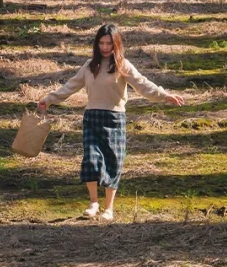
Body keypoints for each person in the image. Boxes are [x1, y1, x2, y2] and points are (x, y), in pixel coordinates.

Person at [37, 22, 185, 221]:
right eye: (101, 43)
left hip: (115, 119)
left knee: (112, 162)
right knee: (90, 159)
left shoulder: (123, 65)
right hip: (92, 117)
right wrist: (49, 99)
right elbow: (70, 86)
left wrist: (164, 95)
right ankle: (93, 203)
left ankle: (109, 208)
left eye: (109, 43)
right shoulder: (89, 67)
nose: (105, 47)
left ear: (116, 44)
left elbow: (143, 85)